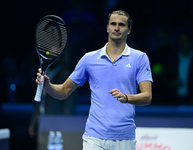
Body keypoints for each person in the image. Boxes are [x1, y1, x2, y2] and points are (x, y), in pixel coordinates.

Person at [35, 10, 153, 150]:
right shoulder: (89, 59)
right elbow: (64, 91)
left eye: (121, 25)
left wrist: (127, 97)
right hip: (94, 137)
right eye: (113, 24)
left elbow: (147, 96)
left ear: (129, 30)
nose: (116, 28)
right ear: (107, 28)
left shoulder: (139, 58)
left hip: (124, 137)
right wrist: (48, 86)